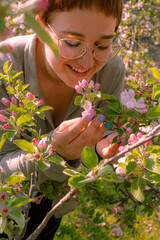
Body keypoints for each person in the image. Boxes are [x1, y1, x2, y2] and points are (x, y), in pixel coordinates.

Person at [0, 0, 125, 239]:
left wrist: (100, 146)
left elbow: (99, 142)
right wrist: (53, 151)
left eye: (103, 45)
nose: (88, 63)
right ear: (41, 26)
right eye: (72, 43)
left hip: (52, 207)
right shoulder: (4, 65)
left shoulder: (112, 70)